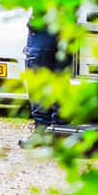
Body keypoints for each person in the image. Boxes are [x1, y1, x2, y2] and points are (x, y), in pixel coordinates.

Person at [19, 19, 70, 148]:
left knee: (54, 77)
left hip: (54, 24)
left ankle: (55, 130)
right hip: (55, 24)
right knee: (53, 77)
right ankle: (53, 130)